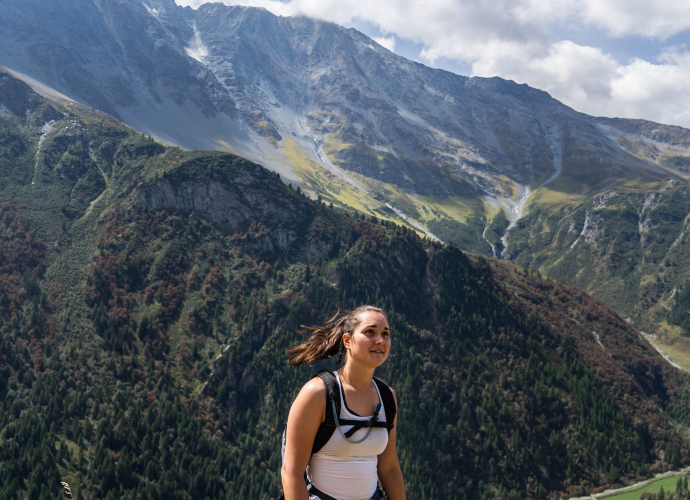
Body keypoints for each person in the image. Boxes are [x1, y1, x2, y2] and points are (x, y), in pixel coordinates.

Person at [281, 305, 406, 500]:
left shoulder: (387, 397)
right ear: (347, 341)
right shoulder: (318, 393)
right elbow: (291, 473)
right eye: (370, 332)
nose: (380, 341)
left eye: (385, 334)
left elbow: (389, 468)